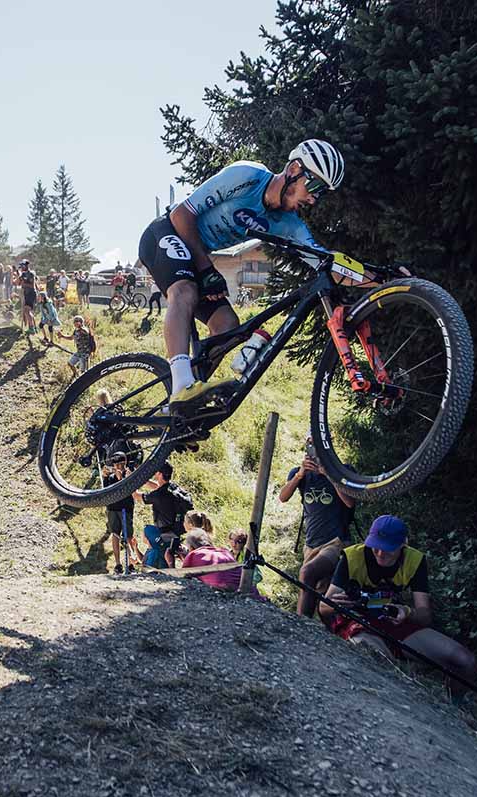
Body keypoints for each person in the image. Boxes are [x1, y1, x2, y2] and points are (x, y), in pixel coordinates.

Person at [138, 139, 343, 409]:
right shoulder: (246, 176)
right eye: (315, 186)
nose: (315, 198)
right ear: (294, 169)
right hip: (167, 233)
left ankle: (181, 409)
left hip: (197, 255)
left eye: (322, 194)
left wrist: (385, 281)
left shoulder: (288, 225)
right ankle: (181, 384)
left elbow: (326, 263)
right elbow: (181, 214)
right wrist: (205, 268)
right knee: (184, 291)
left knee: (228, 327)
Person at [319, 515, 477, 703]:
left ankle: (452, 709)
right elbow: (323, 608)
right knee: (378, 661)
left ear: (404, 544)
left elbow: (425, 616)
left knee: (464, 660)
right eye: (375, 545)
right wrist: (336, 604)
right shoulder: (352, 557)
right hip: (356, 622)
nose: (379, 553)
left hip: (392, 620)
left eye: (388, 548)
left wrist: (406, 612)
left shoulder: (415, 561)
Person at [279, 437, 356, 617]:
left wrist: (329, 473)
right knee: (323, 596)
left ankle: (300, 626)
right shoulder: (300, 474)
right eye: (310, 444)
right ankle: (325, 634)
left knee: (307, 573)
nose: (314, 449)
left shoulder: (343, 470)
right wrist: (299, 474)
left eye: (319, 444)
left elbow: (350, 502)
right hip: (311, 543)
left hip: (336, 542)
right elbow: (283, 497)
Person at [134, 462, 193, 568]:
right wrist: (142, 479)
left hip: (163, 535)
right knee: (168, 555)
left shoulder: (158, 495)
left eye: (156, 472)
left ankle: (153, 566)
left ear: (160, 474)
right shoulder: (174, 488)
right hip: (176, 532)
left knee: (147, 530)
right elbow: (157, 486)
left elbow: (137, 496)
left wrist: (130, 480)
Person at [180, 511, 244, 593]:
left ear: (191, 548)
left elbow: (182, 581)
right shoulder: (225, 551)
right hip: (245, 590)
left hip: (227, 591)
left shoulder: (193, 555)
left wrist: (171, 561)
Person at [102, 451, 138, 574]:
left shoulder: (130, 474)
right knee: (115, 534)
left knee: (128, 535)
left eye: (120, 464)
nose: (118, 467)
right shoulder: (111, 476)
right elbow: (105, 490)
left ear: (125, 463)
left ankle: (131, 563)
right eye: (116, 464)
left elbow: (131, 489)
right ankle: (118, 564)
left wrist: (122, 479)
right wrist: (105, 476)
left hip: (126, 508)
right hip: (113, 508)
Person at [17, 260, 37, 333]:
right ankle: (33, 327)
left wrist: (23, 284)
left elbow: (32, 285)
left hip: (31, 293)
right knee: (27, 311)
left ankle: (32, 328)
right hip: (26, 293)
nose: (21, 267)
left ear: (26, 266)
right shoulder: (23, 274)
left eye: (22, 266)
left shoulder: (31, 274)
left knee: (27, 311)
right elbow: (18, 283)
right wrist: (19, 277)